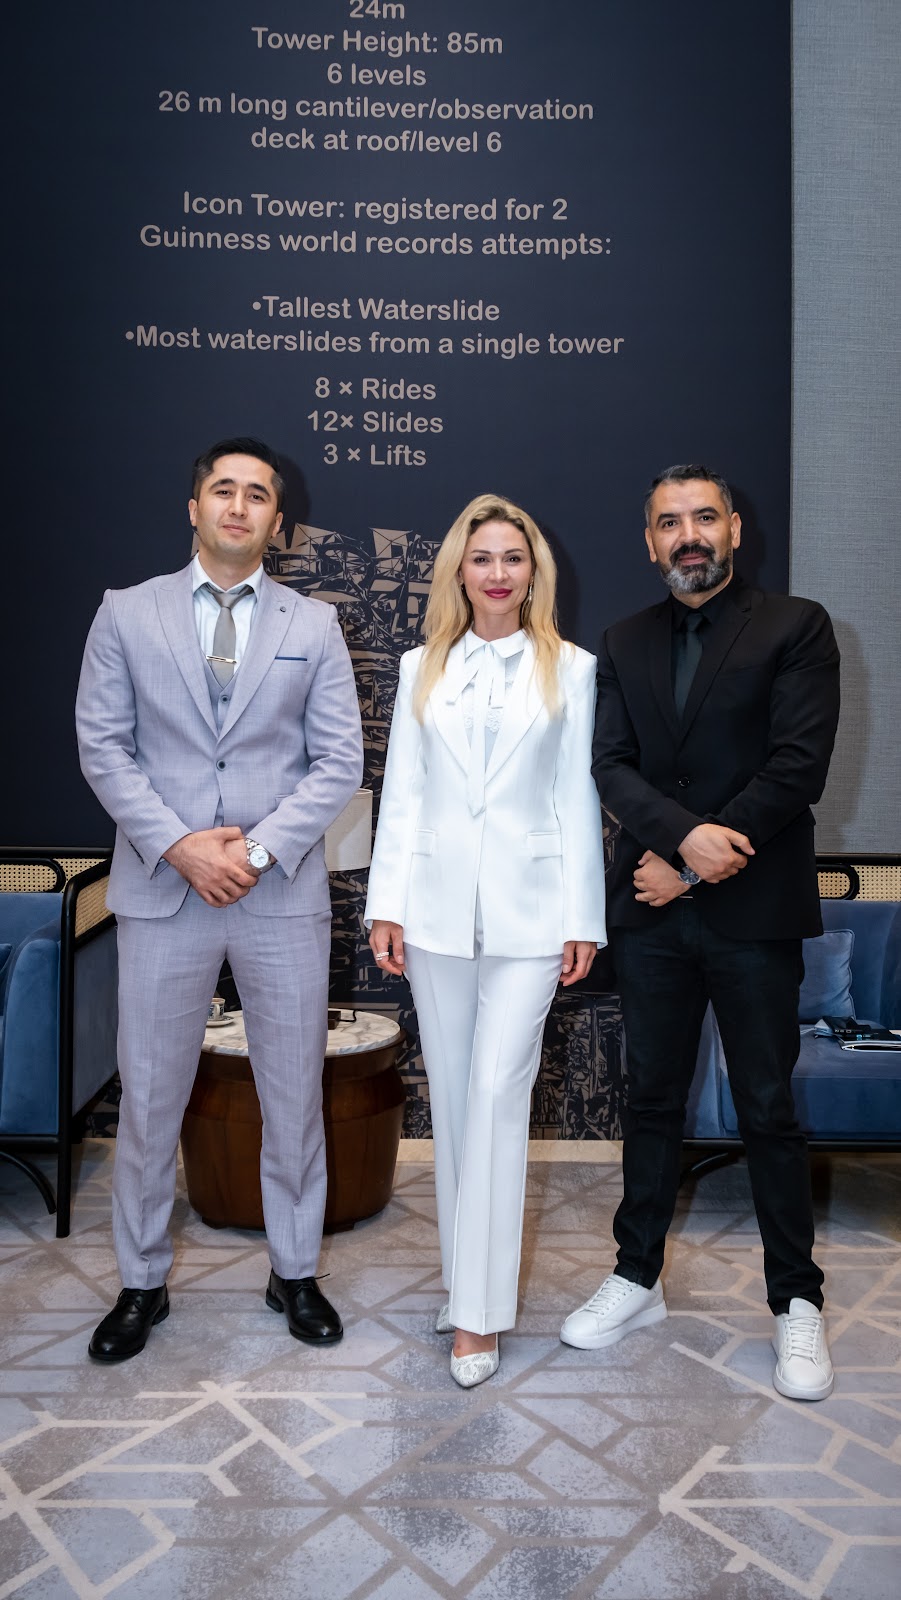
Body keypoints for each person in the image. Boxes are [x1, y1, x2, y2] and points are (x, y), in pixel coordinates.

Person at [76, 437, 363, 1361]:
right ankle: (141, 1282)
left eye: (258, 495)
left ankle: (294, 1271)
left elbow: (339, 763)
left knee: (293, 1094)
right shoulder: (126, 612)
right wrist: (180, 845)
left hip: (278, 893)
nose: (239, 506)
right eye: (223, 490)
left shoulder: (314, 625)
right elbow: (103, 748)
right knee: (150, 1097)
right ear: (194, 507)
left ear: (279, 522)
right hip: (165, 889)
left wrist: (258, 849)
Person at [560, 464, 840, 1402]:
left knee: (766, 1107)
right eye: (669, 522)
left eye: (703, 517)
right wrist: (681, 847)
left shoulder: (795, 626)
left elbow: (796, 767)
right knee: (648, 1101)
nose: (688, 534)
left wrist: (684, 863)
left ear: (733, 529)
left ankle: (795, 1301)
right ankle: (635, 1276)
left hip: (751, 913)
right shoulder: (621, 639)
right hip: (651, 919)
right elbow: (610, 764)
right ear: (649, 540)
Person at [366, 494, 606, 1388]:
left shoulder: (572, 669)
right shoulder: (419, 666)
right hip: (433, 915)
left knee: (500, 1094)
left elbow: (576, 797)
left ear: (533, 571)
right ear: (458, 573)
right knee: (457, 1102)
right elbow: (404, 792)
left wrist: (583, 917)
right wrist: (385, 904)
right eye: (482, 558)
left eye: (513, 557)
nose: (497, 573)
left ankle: (477, 1316)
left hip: (531, 915)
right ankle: (465, 1282)